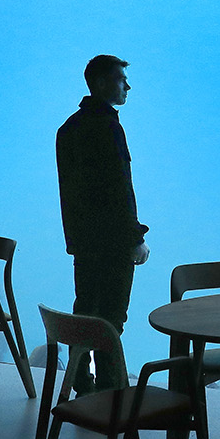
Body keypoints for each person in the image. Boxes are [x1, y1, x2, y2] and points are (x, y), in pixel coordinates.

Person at [57, 54, 148, 389]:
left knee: (85, 311)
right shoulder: (109, 128)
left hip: (84, 242)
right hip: (113, 244)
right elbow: (119, 189)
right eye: (120, 78)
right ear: (100, 84)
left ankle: (80, 378)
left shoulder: (68, 129)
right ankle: (112, 388)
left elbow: (72, 193)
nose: (127, 85)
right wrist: (134, 237)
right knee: (112, 317)